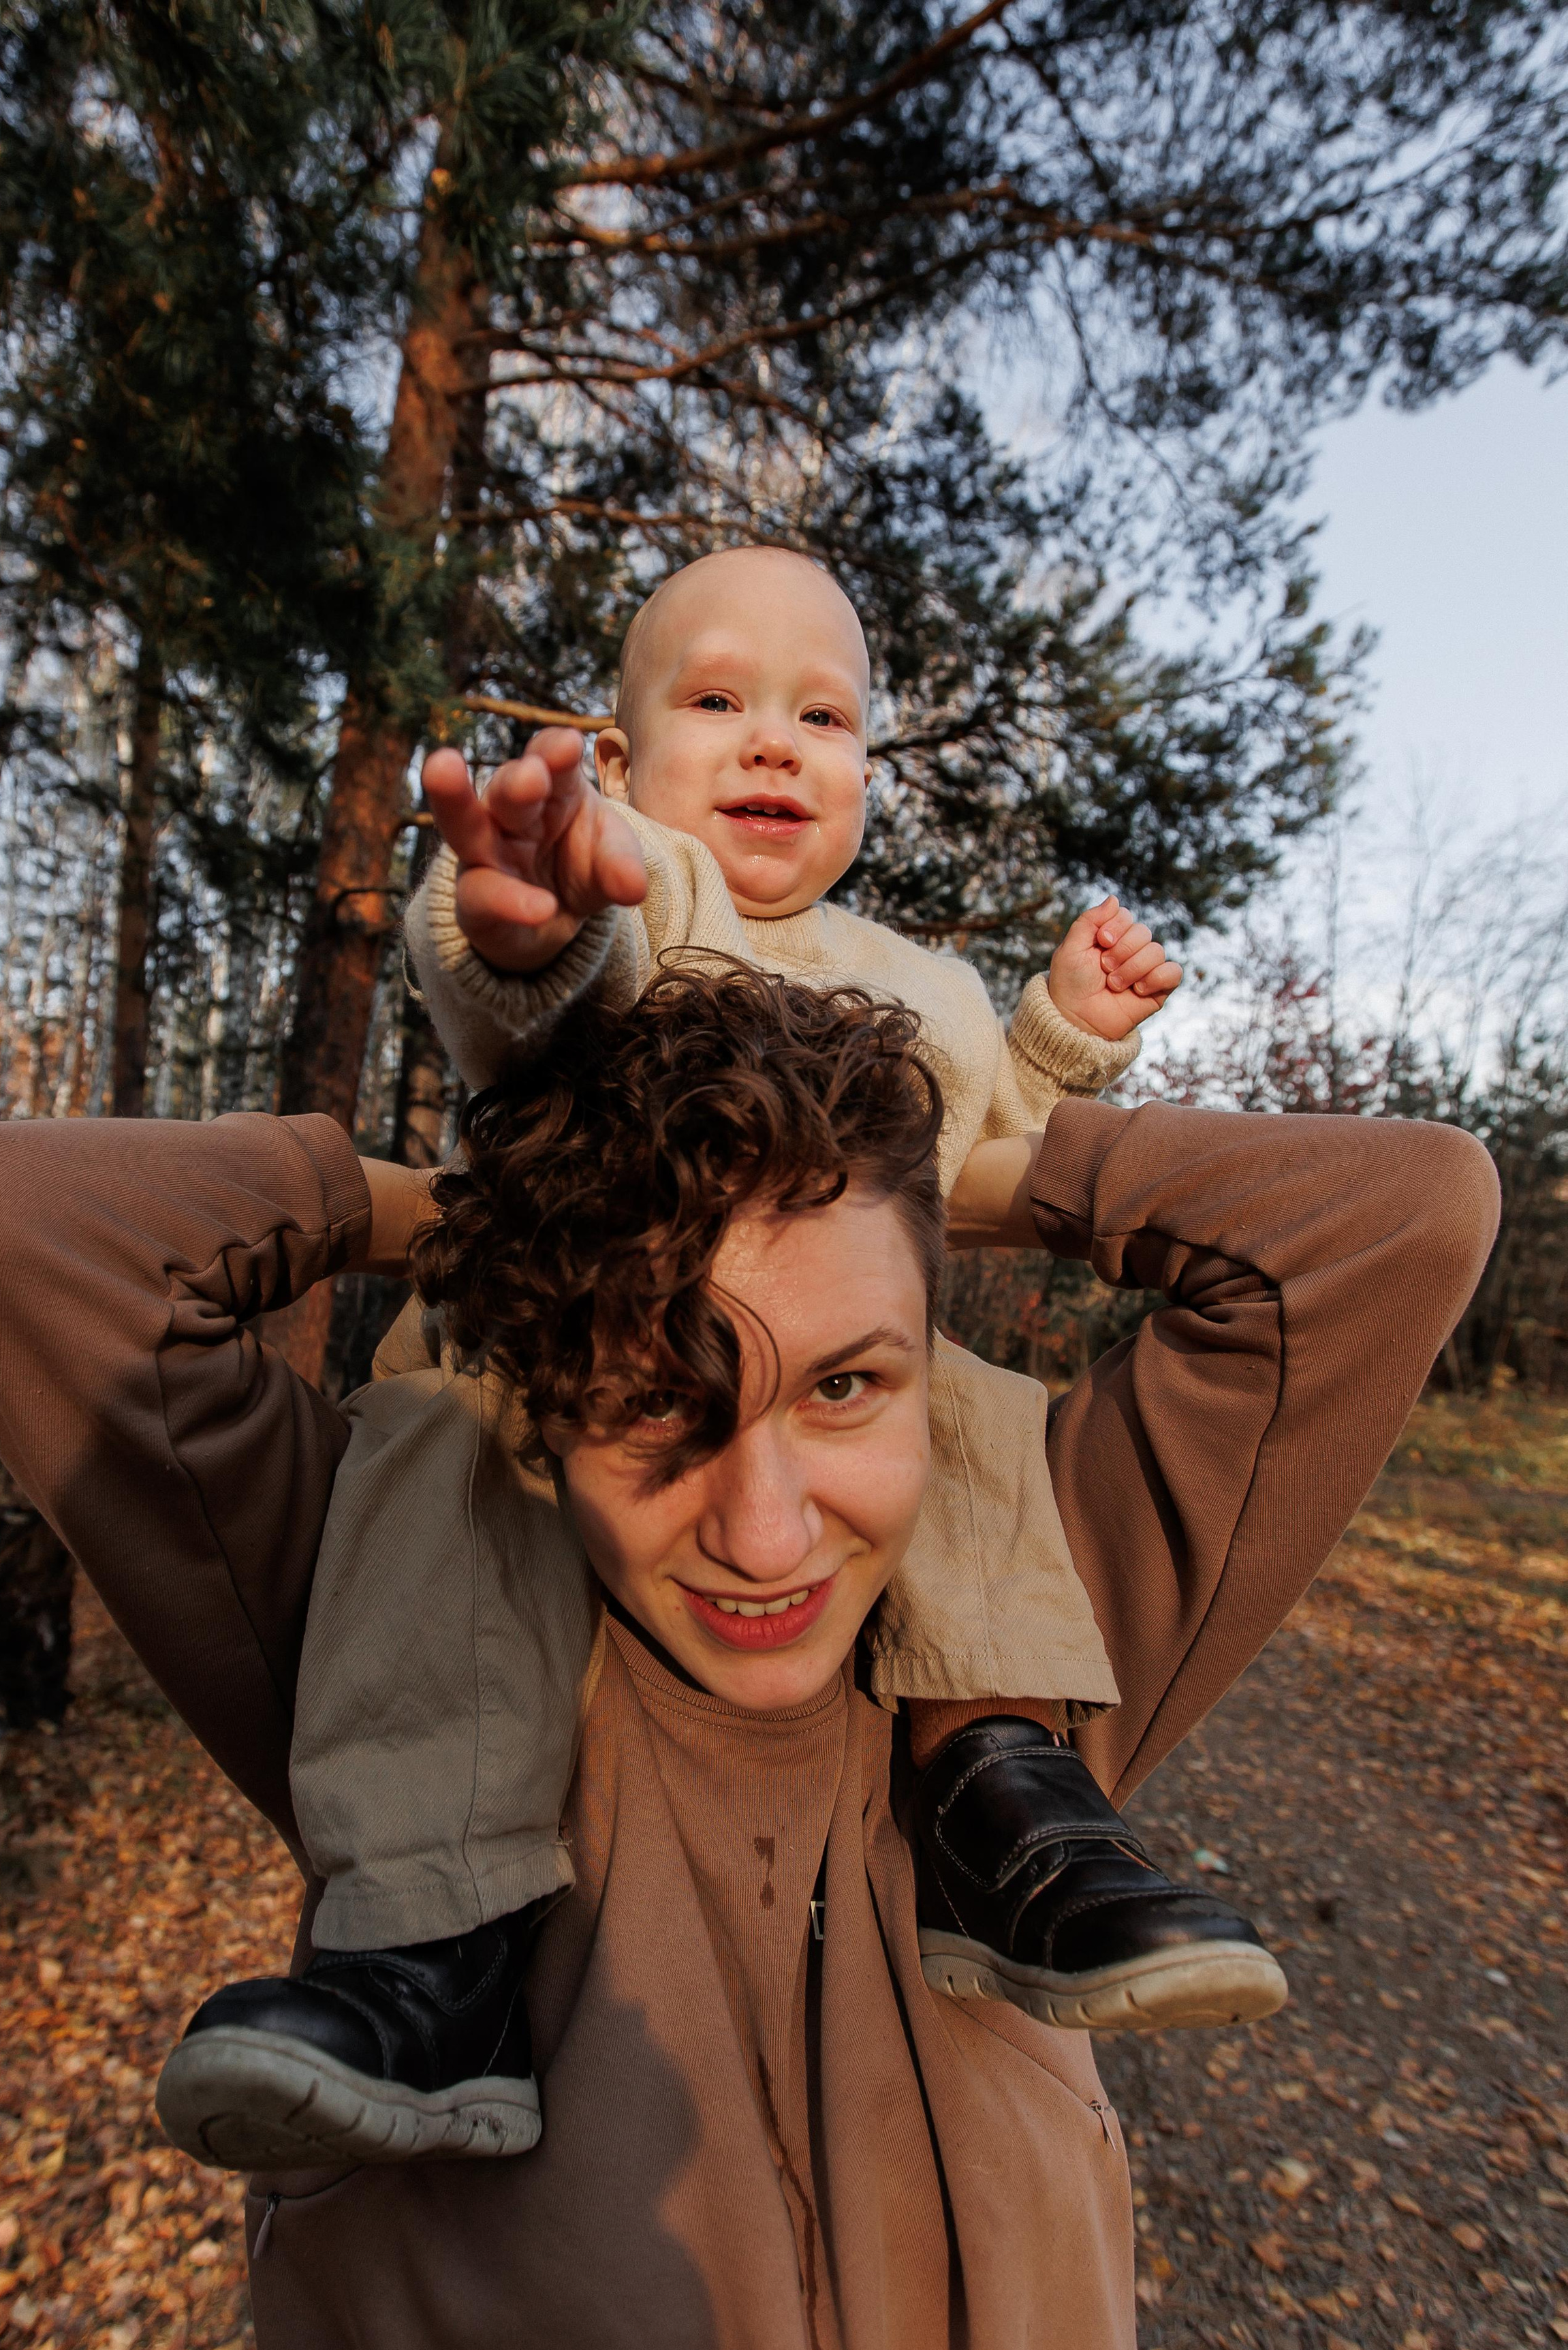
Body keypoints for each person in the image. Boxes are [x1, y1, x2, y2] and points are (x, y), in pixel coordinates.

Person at [0, 969, 1495, 2350]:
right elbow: (4, 1224)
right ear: (542, 1396)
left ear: (933, 1376)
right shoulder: (392, 1651)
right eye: (657, 1399)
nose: (764, 1525)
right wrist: (457, 1214)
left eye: (848, 1383)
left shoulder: (1031, 1643)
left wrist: (949, 1175)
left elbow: (1399, 1210)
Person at [170, 547, 1285, 2174]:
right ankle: (427, 1939)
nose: (772, 744)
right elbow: (542, 992)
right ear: (617, 767)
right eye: (717, 700)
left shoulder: (921, 986)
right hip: (572, 1338)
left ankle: (1002, 1787)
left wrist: (1054, 1034)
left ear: (862, 773)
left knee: (958, 1404)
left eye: (820, 715)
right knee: (436, 1427)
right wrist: (528, 914)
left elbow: (989, 1157)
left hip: (827, 1367)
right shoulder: (650, 895)